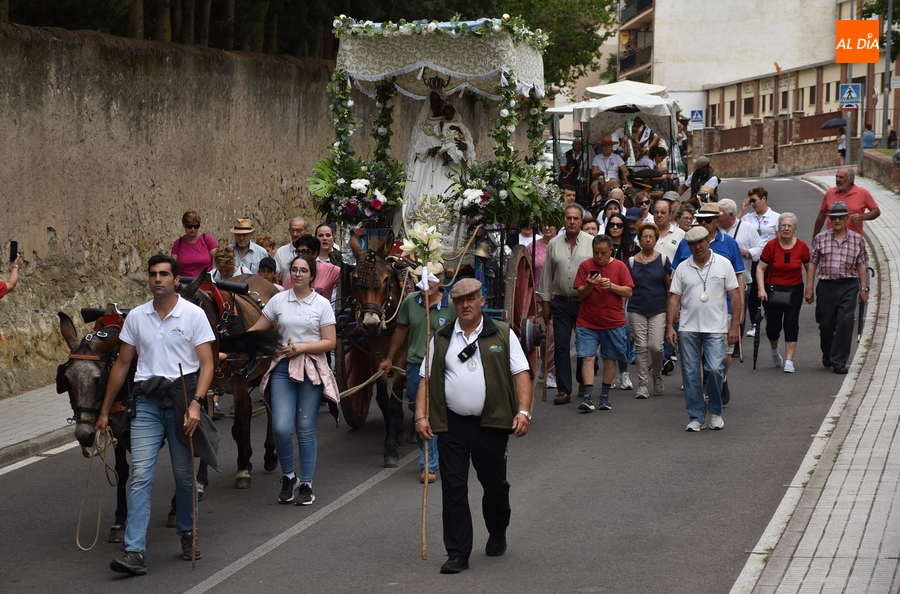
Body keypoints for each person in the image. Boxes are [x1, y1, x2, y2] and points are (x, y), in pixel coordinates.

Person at [95, 254, 216, 575]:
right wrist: (105, 411)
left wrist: (196, 403)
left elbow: (207, 364)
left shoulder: (193, 315)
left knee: (184, 475)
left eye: (164, 274)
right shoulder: (137, 316)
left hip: (182, 399)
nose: (157, 279)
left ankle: (188, 533)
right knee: (140, 475)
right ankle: (134, 551)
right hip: (146, 402)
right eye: (153, 274)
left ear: (176, 279)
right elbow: (122, 364)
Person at [414, 278, 532, 574]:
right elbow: (426, 379)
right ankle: (457, 553)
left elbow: (521, 373)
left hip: (492, 423)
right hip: (452, 424)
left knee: (494, 486)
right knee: (453, 486)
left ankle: (497, 530)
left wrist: (523, 412)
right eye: (459, 300)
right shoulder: (440, 337)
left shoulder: (502, 333)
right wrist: (420, 415)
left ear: (482, 301)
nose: (465, 305)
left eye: (471, 299)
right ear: (454, 304)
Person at [250, 253, 338, 505]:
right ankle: (289, 477)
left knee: (305, 427)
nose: (298, 274)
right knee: (280, 427)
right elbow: (256, 330)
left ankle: (307, 484)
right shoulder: (279, 300)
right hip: (282, 367)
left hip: (310, 368)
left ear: (312, 276)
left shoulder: (321, 304)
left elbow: (330, 342)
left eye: (303, 270)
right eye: (295, 270)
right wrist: (229, 345)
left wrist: (302, 348)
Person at [379, 262, 456, 483]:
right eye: (421, 280)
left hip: (443, 365)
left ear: (440, 281)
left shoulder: (451, 305)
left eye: (430, 280)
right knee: (418, 410)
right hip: (416, 364)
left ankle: (428, 464)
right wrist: (389, 358)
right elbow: (401, 330)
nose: (426, 285)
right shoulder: (410, 302)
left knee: (432, 412)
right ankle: (432, 454)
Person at [667, 227, 741, 432]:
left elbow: (735, 295)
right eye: (692, 244)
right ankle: (696, 416)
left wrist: (735, 325)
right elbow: (674, 298)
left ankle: (715, 412)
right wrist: (670, 326)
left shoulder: (723, 263)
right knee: (691, 373)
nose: (697, 247)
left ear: (708, 241)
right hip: (688, 328)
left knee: (715, 369)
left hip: (716, 328)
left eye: (700, 242)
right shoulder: (682, 267)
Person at [672, 203, 745, 404]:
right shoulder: (686, 242)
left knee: (722, 356)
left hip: (723, 308)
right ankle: (702, 391)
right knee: (697, 356)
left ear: (717, 221)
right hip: (692, 310)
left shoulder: (729, 243)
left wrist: (739, 311)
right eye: (700, 219)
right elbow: (675, 274)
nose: (703, 222)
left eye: (708, 220)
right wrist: (675, 306)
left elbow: (739, 278)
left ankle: (720, 378)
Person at [538, 204, 595, 405]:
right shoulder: (554, 243)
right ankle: (563, 389)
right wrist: (545, 302)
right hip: (561, 301)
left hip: (585, 302)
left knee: (584, 344)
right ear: (564, 220)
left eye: (576, 218)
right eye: (568, 218)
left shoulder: (591, 242)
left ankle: (583, 380)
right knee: (561, 346)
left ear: (581, 221)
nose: (572, 222)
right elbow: (547, 275)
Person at [806, 201, 869, 375]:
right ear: (830, 219)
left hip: (849, 285)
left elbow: (861, 265)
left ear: (847, 218)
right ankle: (828, 353)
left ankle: (839, 361)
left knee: (845, 322)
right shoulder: (821, 238)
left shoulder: (857, 240)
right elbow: (813, 264)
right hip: (826, 286)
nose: (837, 220)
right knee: (825, 325)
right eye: (834, 218)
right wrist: (809, 288)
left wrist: (863, 289)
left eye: (840, 217)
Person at [573, 235, 634, 411]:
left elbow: (629, 292)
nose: (599, 257)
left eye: (603, 253)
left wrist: (612, 286)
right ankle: (588, 397)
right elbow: (580, 294)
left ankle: (605, 397)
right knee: (587, 357)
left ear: (610, 251)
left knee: (609, 359)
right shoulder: (585, 266)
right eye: (596, 253)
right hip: (587, 321)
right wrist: (590, 285)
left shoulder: (620, 266)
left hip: (613, 322)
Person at [402, 91, 474, 232]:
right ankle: (422, 232)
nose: (435, 105)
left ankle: (451, 233)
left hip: (449, 169)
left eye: (437, 101)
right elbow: (417, 148)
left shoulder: (454, 124)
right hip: (427, 168)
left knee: (451, 199)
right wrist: (429, 150)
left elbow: (467, 145)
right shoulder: (425, 126)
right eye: (432, 101)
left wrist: (463, 147)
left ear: (443, 102)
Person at [756, 213, 813, 373]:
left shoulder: (802, 246)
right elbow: (760, 268)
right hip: (773, 290)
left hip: (794, 289)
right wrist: (761, 289)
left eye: (789, 226)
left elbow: (809, 268)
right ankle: (775, 350)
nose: (786, 228)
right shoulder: (771, 246)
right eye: (783, 225)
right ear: (778, 228)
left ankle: (789, 360)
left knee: (791, 323)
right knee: (772, 328)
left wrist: (809, 289)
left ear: (795, 229)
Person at [627, 223, 671, 398]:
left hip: (658, 308)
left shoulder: (663, 260)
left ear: (656, 239)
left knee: (656, 346)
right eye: (644, 236)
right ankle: (642, 385)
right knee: (641, 347)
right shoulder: (631, 261)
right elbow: (627, 287)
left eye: (651, 237)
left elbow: (669, 287)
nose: (647, 239)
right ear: (639, 239)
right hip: (636, 308)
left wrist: (673, 310)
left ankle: (657, 373)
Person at [738, 186, 779, 338]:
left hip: (769, 260)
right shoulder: (748, 218)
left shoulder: (775, 217)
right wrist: (742, 210)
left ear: (763, 199)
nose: (752, 204)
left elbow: (779, 239)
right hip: (752, 258)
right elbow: (734, 227)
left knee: (769, 289)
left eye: (754, 200)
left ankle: (769, 315)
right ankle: (754, 322)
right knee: (753, 291)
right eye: (750, 201)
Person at [812, 168, 880, 238]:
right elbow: (822, 214)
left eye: (841, 177)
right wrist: (815, 235)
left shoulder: (862, 192)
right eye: (836, 177)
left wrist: (862, 217)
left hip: (854, 239)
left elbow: (876, 211)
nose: (837, 179)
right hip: (832, 239)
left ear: (850, 179)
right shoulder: (830, 192)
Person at [533, 224, 558, 389]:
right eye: (544, 224)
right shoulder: (532, 247)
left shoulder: (561, 245)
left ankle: (551, 371)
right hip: (537, 297)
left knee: (553, 337)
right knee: (541, 336)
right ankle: (544, 362)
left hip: (557, 296)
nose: (547, 227)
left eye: (551, 224)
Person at [291, 235, 340, 305]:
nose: (300, 255)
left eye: (304, 251)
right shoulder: (294, 273)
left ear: (315, 253)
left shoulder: (331, 270)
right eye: (298, 252)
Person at [171, 211, 218, 277]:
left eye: (196, 226)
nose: (193, 229)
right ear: (184, 225)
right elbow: (173, 267)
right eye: (189, 226)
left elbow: (219, 259)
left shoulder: (207, 239)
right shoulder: (178, 243)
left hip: (205, 280)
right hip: (185, 280)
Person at [275, 217, 310, 282]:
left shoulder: (312, 251)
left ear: (307, 231)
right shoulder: (281, 252)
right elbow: (275, 276)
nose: (295, 234)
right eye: (292, 230)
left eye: (299, 230)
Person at [653, 196, 686, 263]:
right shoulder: (645, 233)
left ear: (670, 216)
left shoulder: (681, 234)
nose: (659, 215)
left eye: (663, 212)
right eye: (656, 212)